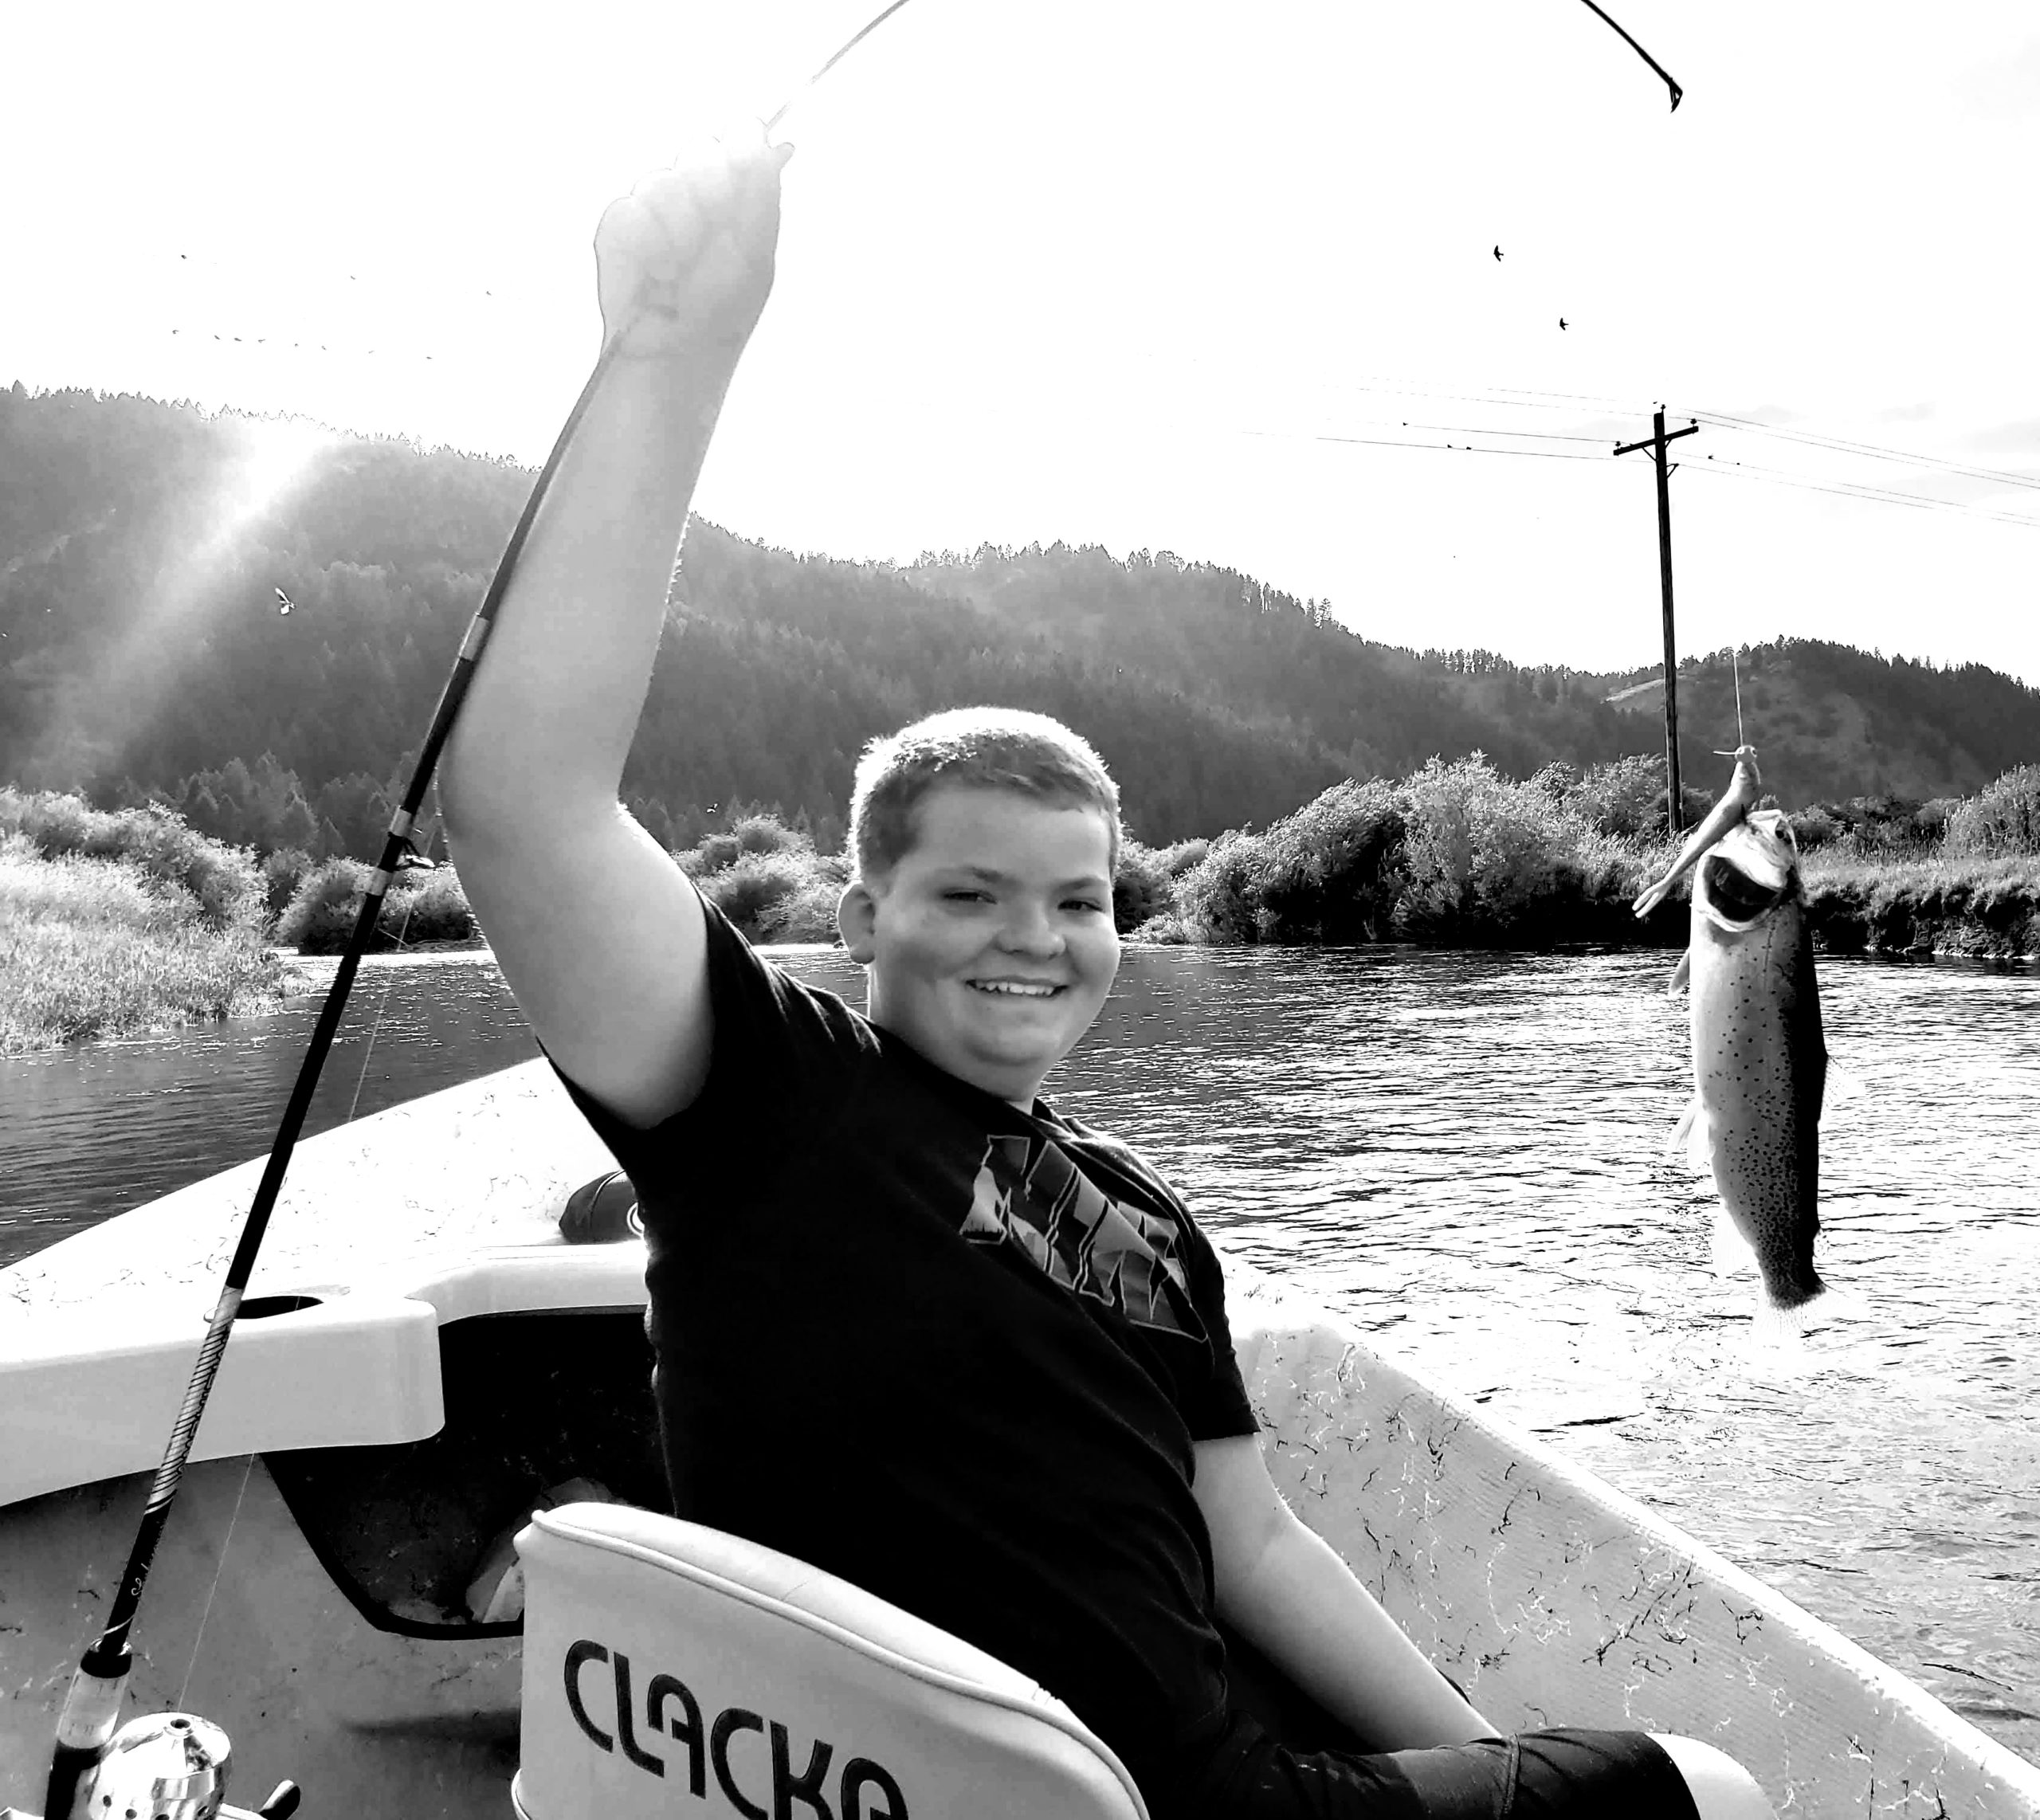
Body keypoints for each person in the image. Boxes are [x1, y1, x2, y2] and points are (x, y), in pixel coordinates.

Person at [440, 127, 1772, 1820]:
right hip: (1017, 1795)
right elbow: (527, 808)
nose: (1035, 935)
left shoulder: (1147, 1214)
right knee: (1711, 1788)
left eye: (1078, 898)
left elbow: (1254, 1544)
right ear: (858, 919)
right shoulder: (768, 1098)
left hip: (1232, 1783)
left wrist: (1479, 1757)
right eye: (970, 891)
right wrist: (673, 359)